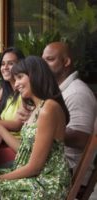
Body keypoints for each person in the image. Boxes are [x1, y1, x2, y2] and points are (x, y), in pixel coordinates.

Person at [0, 56, 71, 199]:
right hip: (36, 175)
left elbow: (34, 167)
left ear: (35, 75)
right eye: (15, 79)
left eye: (20, 77)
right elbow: (22, 149)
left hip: (47, 182)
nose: (16, 85)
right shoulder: (38, 107)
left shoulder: (48, 109)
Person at [42, 42, 97, 173]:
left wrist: (44, 126)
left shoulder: (77, 93)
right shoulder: (60, 90)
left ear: (66, 62)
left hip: (67, 170)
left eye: (49, 59)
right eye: (42, 60)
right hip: (54, 164)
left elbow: (81, 139)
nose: (43, 65)